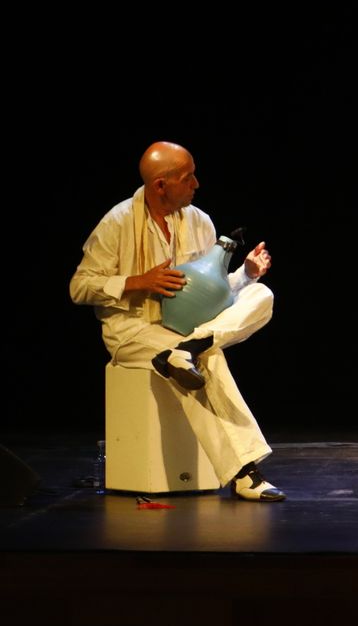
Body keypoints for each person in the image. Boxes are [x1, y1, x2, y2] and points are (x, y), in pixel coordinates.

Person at [69, 142, 283, 501]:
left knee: (263, 295)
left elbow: (208, 293)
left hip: (190, 328)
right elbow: (79, 287)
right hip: (135, 331)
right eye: (188, 178)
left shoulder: (200, 222)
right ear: (160, 186)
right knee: (209, 360)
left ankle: (189, 347)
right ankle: (245, 473)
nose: (197, 184)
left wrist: (245, 276)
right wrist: (138, 282)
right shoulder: (117, 222)